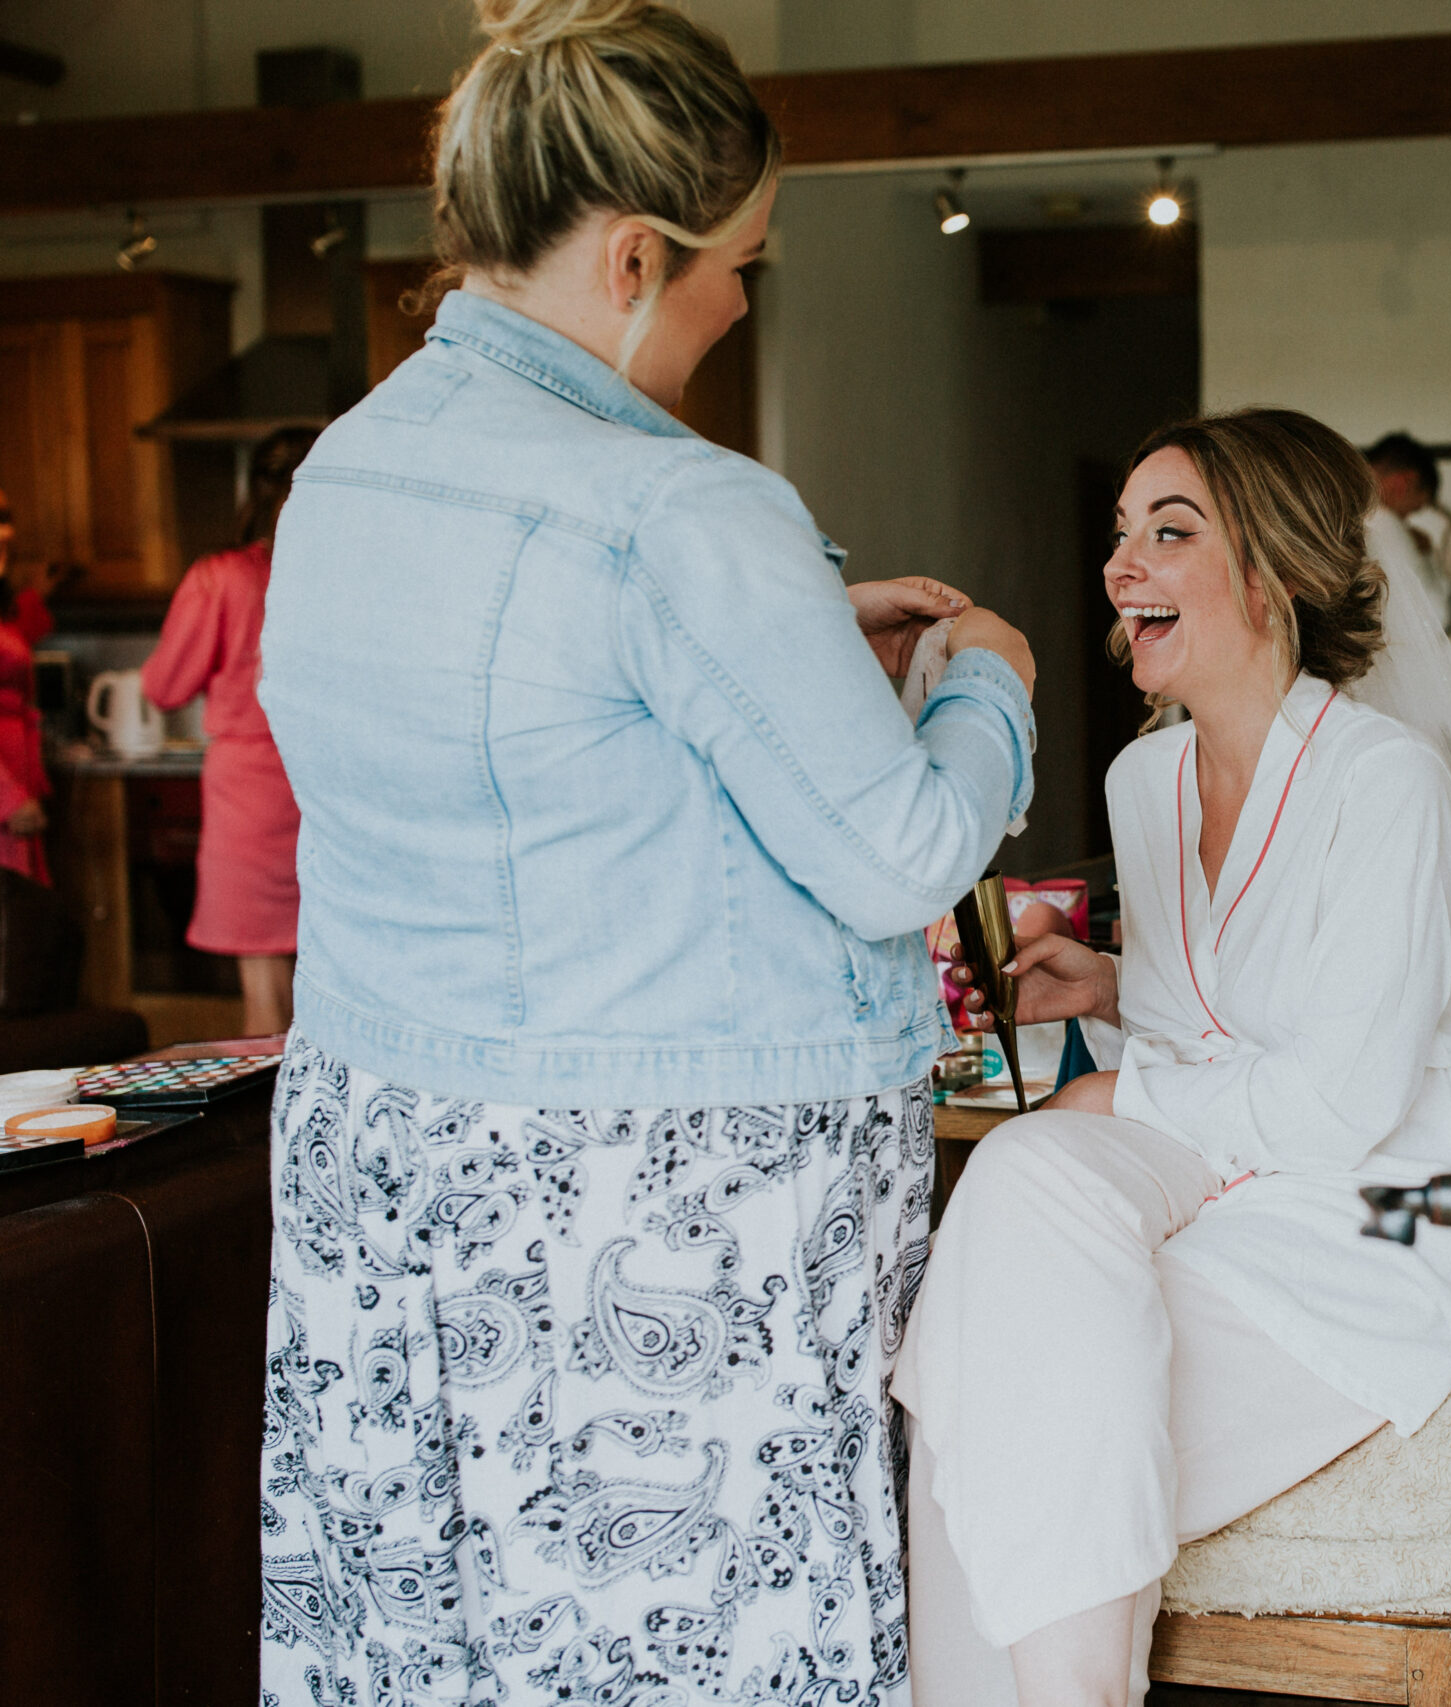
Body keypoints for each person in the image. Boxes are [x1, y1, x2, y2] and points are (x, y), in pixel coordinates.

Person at [253, 2, 1037, 1702]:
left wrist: (793, 633)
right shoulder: (688, 515)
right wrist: (992, 683)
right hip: (649, 1211)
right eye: (736, 259)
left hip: (394, 1182)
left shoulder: (349, 474)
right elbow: (902, 854)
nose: (742, 298)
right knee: (682, 1650)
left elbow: (520, 702)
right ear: (629, 258)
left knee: (436, 1634)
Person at [895, 410, 1451, 1707]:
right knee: (1014, 1224)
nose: (1120, 566)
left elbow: (1341, 1099)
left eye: (1170, 532)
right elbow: (1207, 1015)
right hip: (1219, 1177)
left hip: (1364, 1211)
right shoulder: (1146, 782)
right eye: (1122, 534)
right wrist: (1111, 984)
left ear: (1271, 570)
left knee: (1015, 1270)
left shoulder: (1387, 785)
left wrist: (1124, 1084)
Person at [140, 428, 315, 1035]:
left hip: (250, 791)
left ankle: (268, 1127)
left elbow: (164, 687)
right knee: (330, 972)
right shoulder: (336, 569)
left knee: (263, 985)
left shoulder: (221, 578)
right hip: (326, 775)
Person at [0, 486, 65, 882]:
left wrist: (35, 597)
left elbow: (10, 651)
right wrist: (7, 800)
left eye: (6, 519)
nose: (5, 532)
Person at [1365, 430, 1451, 643]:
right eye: (1412, 510)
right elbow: (1435, 616)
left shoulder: (1341, 516)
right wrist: (1426, 557)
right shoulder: (1382, 520)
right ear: (1403, 484)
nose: (1407, 519)